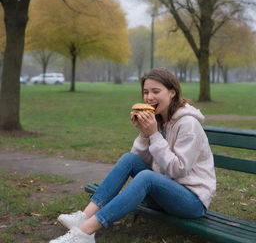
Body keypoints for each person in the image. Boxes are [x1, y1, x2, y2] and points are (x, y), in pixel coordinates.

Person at [49, 68, 216, 243]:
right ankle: (84, 216)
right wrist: (145, 133)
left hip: (192, 202)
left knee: (146, 177)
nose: (149, 97)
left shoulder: (188, 124)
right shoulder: (158, 120)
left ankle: (85, 232)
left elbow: (178, 169)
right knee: (128, 159)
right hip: (164, 195)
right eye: (146, 92)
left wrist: (154, 135)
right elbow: (137, 158)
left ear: (172, 92)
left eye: (156, 91)